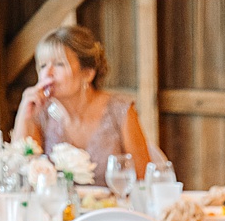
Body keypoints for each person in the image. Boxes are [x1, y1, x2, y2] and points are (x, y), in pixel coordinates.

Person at [11, 24, 152, 186]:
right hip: (58, 210)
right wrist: (24, 114)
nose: (47, 74)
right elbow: (19, 179)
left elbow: (144, 182)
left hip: (113, 209)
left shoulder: (121, 111)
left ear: (87, 73)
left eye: (59, 64)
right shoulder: (40, 113)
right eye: (43, 66)